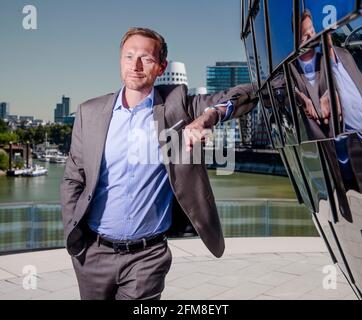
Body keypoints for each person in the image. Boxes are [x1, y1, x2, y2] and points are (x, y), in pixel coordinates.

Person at [60, 27, 258, 300]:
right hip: (93, 255)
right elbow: (73, 178)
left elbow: (248, 92)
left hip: (147, 258)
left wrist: (208, 116)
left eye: (147, 59)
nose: (136, 65)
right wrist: (73, 231)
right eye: (129, 57)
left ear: (161, 66)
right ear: (120, 60)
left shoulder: (178, 106)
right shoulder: (89, 112)